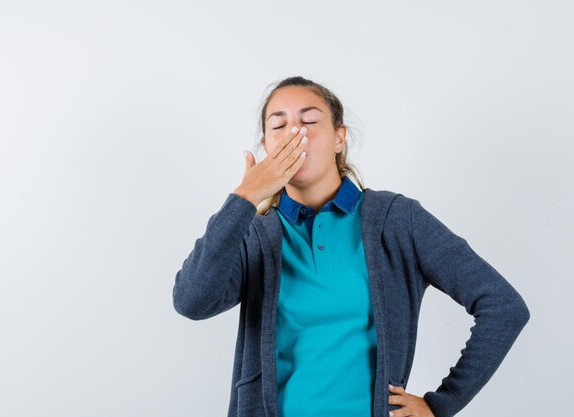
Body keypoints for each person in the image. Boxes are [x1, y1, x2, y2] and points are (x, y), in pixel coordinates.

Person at [172, 75, 530, 417]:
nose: (295, 133)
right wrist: (245, 198)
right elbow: (191, 301)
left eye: (309, 121)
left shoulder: (396, 219)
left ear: (339, 138)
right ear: (265, 147)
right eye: (278, 126)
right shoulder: (253, 234)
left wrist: (442, 403)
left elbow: (503, 306)